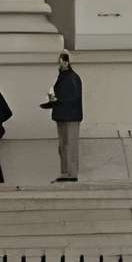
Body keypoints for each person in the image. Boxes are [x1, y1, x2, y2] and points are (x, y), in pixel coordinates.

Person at [43, 51, 83, 182]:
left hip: (71, 116)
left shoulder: (73, 77)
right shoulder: (63, 77)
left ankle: (71, 173)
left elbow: (74, 97)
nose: (59, 65)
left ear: (67, 62)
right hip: (62, 115)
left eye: (61, 62)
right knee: (63, 145)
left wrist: (57, 101)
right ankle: (65, 171)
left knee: (70, 145)